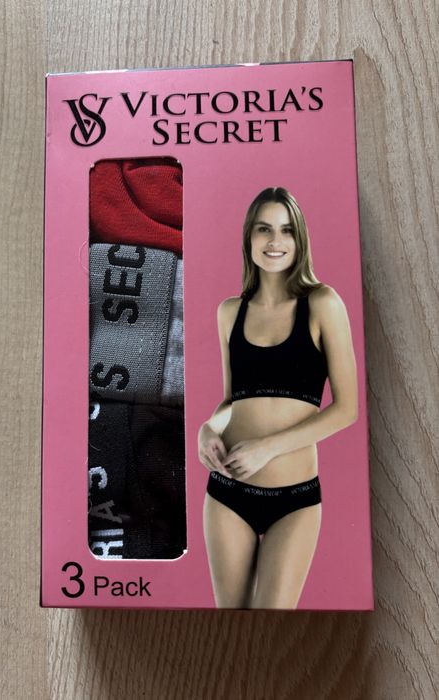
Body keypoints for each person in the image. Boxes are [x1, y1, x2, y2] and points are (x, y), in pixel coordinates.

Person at [198, 187, 358, 609]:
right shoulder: (229, 312)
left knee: (272, 626)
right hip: (227, 493)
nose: (275, 241)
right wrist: (207, 429)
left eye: (286, 231)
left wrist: (267, 448)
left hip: (294, 501)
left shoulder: (322, 303)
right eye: (264, 229)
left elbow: (347, 409)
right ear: (249, 237)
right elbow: (231, 401)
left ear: (299, 239)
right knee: (229, 628)